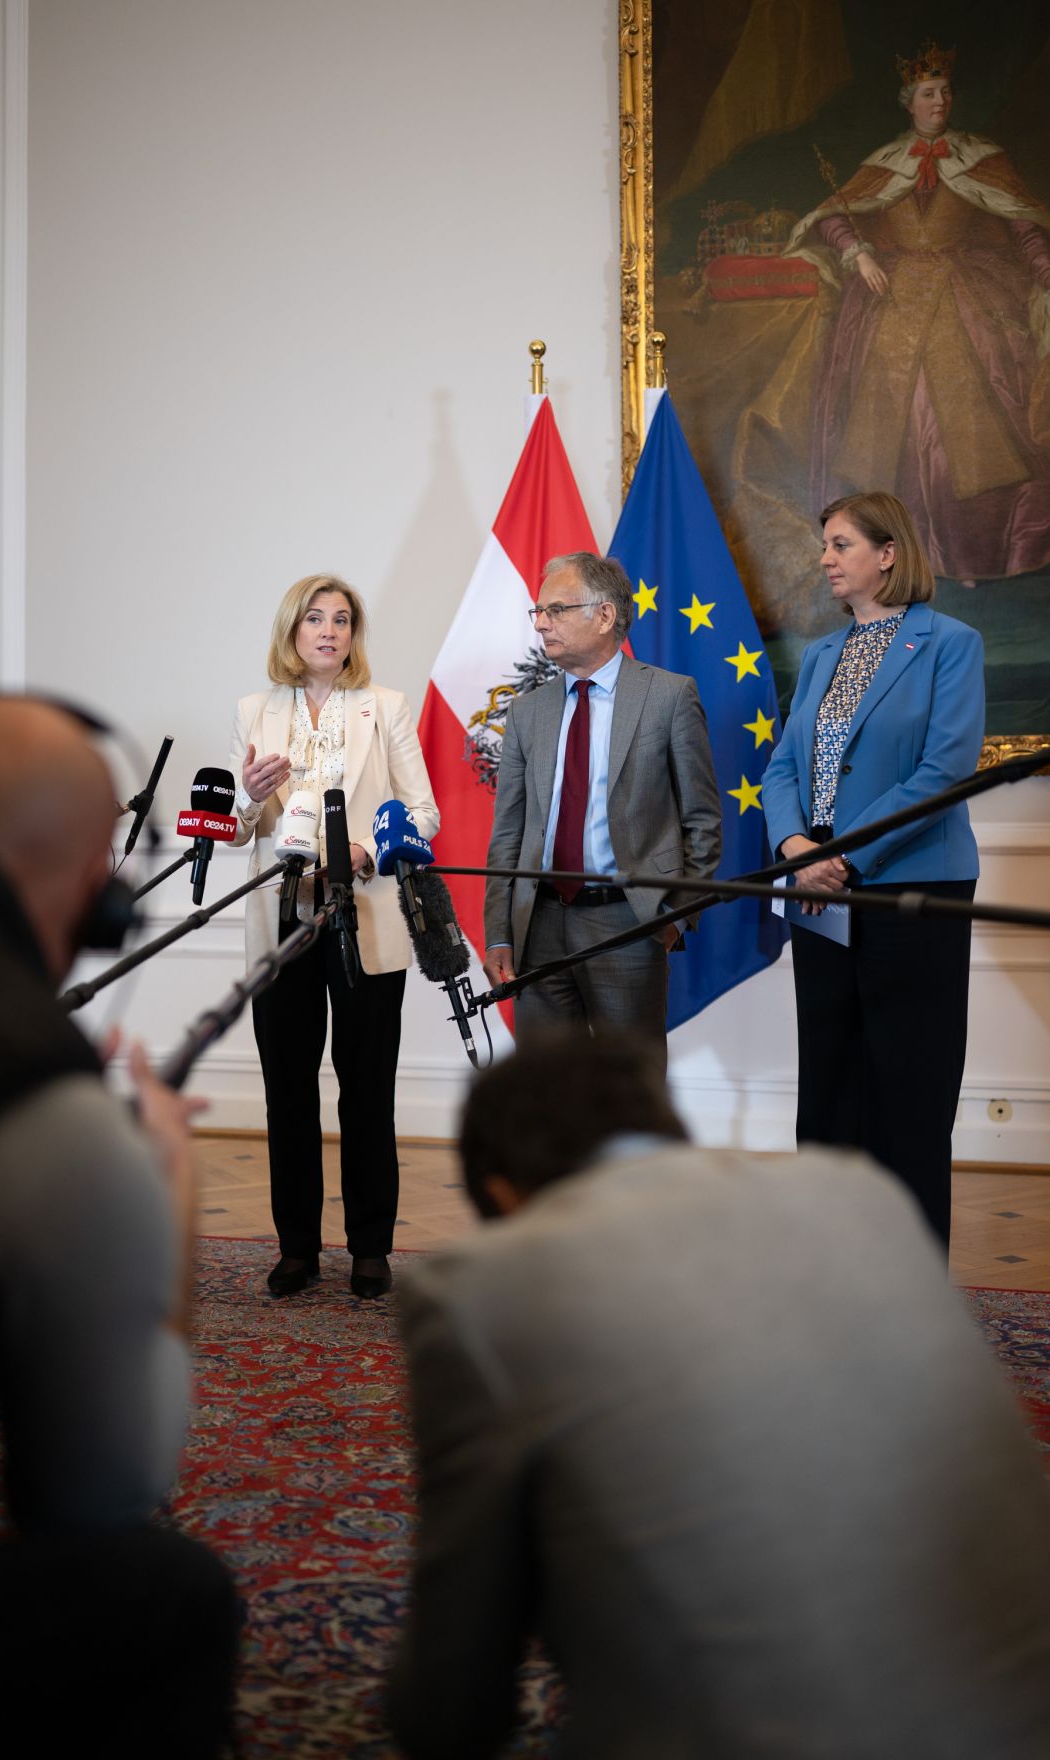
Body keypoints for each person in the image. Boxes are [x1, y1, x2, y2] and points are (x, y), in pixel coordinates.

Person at [387, 1030, 1050, 1760]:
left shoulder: (479, 1291)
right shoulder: (860, 1192)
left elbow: (451, 1706)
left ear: (502, 1192)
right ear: (665, 1129)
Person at [0, 698, 238, 1759]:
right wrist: (163, 1184)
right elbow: (98, 1491)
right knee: (164, 1590)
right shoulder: (35, 1102)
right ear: (99, 892)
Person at [763, 492, 985, 1247]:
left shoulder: (949, 643)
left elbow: (944, 770)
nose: (824, 558)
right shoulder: (822, 653)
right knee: (827, 1083)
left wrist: (842, 855)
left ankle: (911, 1282)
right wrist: (797, 849)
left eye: (839, 544)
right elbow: (782, 771)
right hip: (816, 893)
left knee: (908, 1087)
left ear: (886, 554)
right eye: (823, 545)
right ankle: (830, 1270)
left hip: (911, 887)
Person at [230, 573, 439, 1299]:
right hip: (282, 920)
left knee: (366, 1091)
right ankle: (296, 1250)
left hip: (365, 917)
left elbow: (424, 812)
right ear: (290, 631)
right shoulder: (254, 710)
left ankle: (370, 1251)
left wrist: (371, 851)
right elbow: (235, 833)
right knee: (286, 1091)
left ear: (354, 635)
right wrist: (248, 799)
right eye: (314, 619)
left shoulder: (385, 708)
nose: (328, 631)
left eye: (342, 620)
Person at [785, 40, 1050, 584]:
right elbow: (835, 216)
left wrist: (1046, 273)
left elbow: (1023, 222)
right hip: (893, 302)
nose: (940, 101)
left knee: (967, 428)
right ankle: (899, 561)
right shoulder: (885, 163)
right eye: (929, 93)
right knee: (895, 433)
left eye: (946, 92)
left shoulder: (983, 158)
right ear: (909, 101)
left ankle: (967, 556)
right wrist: (857, 253)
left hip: (963, 300)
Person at [482, 551, 720, 1062]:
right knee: (546, 1093)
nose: (541, 623)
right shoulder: (528, 711)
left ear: (605, 615)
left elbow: (702, 820)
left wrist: (672, 918)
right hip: (538, 925)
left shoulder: (669, 696)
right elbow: (508, 833)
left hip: (628, 922)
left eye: (556, 610)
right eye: (538, 612)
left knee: (629, 1092)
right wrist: (500, 932)